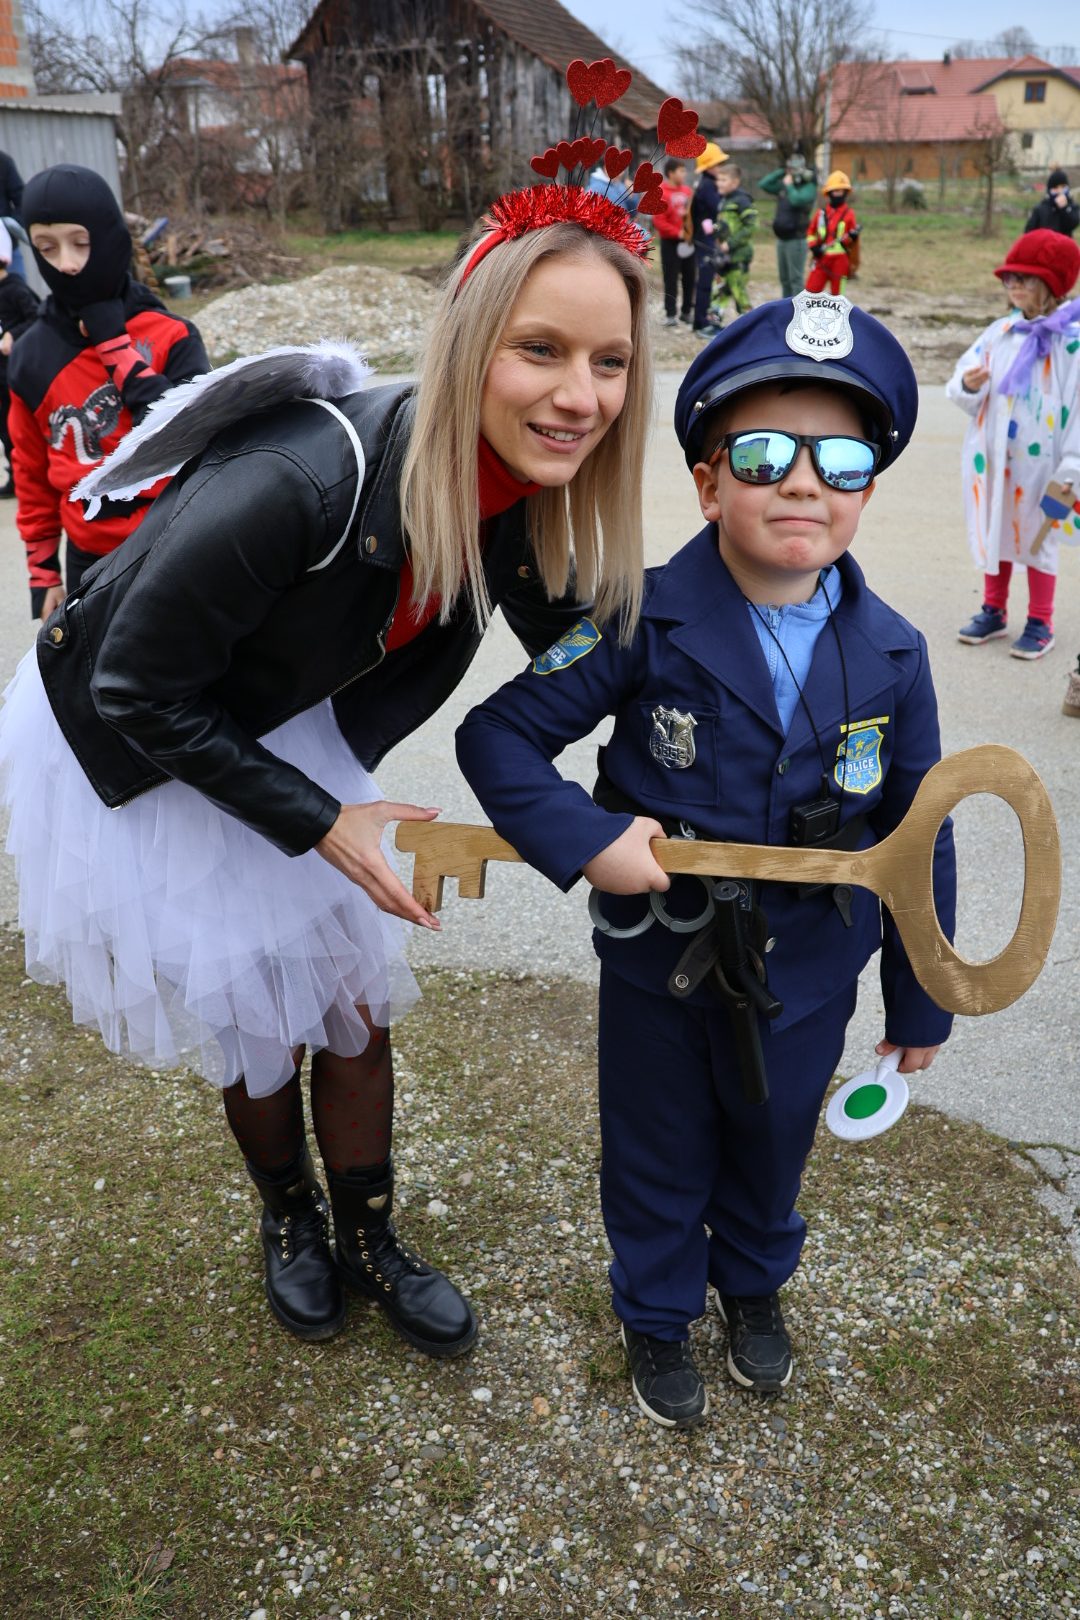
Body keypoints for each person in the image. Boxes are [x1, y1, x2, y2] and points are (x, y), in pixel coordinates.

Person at [0, 176, 655, 1357]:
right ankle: (290, 1222)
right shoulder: (302, 479)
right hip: (144, 736)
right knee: (256, 1007)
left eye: (610, 363)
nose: (579, 396)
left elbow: (582, 651)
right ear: (467, 343)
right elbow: (134, 690)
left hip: (272, 713)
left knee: (353, 1003)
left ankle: (370, 1235)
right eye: (542, 351)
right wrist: (323, 822)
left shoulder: (516, 483)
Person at [457, 292, 955, 1426]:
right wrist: (589, 842)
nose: (803, 482)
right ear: (708, 481)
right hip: (664, 962)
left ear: (870, 486)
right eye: (766, 452)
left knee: (775, 1139)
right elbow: (501, 736)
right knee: (657, 1144)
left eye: (841, 457)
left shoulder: (895, 651)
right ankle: (656, 1311)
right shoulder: (642, 615)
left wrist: (919, 1003)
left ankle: (755, 1288)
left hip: (813, 972)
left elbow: (922, 826)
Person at [7, 164, 208, 618]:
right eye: (46, 247)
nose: (67, 263)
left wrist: (115, 347)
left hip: (181, 547)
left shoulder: (171, 336)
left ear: (109, 237)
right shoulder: (31, 356)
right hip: (91, 561)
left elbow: (197, 441)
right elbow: (31, 471)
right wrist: (43, 573)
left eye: (80, 243)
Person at [946, 229, 1080, 663]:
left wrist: (1073, 466)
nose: (1014, 285)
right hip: (995, 459)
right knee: (996, 527)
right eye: (1010, 277)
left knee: (1038, 534)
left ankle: (1041, 619)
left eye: (1026, 277)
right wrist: (967, 385)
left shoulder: (1070, 342)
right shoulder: (1000, 332)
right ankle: (994, 608)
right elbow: (964, 377)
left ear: (1053, 284)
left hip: (1043, 464)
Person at [0, 219, 41, 497]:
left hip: (13, 373)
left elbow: (38, 317)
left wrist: (13, 334)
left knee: (20, 429)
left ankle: (30, 476)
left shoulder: (16, 290)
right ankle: (15, 478)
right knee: (5, 430)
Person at [759, 154, 817, 298]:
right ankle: (786, 309)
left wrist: (790, 185)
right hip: (782, 239)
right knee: (784, 280)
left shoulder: (809, 187)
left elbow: (797, 200)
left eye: (796, 169)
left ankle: (799, 311)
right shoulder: (783, 186)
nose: (793, 172)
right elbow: (764, 184)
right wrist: (782, 171)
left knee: (795, 279)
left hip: (796, 240)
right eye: (791, 169)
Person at [708, 162, 757, 322]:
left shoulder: (742, 201)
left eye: (723, 180)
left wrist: (731, 243)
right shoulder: (724, 201)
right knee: (720, 288)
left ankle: (749, 323)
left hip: (738, 255)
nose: (718, 183)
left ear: (735, 182)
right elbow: (726, 225)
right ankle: (715, 320)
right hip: (723, 256)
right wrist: (715, 231)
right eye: (718, 179)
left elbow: (751, 227)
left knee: (737, 290)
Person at [689, 141, 729, 335]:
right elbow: (717, 208)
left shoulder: (709, 184)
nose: (720, 168)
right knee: (705, 283)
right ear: (709, 166)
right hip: (704, 242)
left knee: (711, 283)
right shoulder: (707, 187)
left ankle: (705, 319)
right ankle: (700, 322)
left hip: (708, 240)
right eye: (718, 164)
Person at [655, 158, 695, 325]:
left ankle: (686, 312)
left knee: (690, 277)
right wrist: (676, 232)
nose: (684, 174)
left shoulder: (687, 191)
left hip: (688, 242)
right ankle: (671, 314)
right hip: (670, 243)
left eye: (685, 171)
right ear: (671, 173)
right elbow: (659, 221)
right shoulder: (661, 193)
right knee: (670, 278)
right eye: (681, 171)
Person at [806, 172, 859, 297]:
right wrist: (814, 247)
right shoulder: (821, 214)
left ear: (845, 193)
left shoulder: (849, 214)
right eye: (835, 191)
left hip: (840, 261)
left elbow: (852, 243)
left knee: (838, 299)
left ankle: (837, 317)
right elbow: (810, 232)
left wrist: (852, 238)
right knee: (809, 294)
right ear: (829, 193)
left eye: (840, 191)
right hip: (821, 259)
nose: (837, 194)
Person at [1025, 169, 1080, 237]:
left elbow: (1073, 224)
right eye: (1055, 188)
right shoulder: (1040, 208)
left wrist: (1064, 208)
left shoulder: (1071, 207)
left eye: (1063, 187)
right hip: (1044, 245)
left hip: (1063, 245)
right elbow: (1029, 232)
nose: (1060, 191)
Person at [0, 149, 26, 276]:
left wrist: (9, 225)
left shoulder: (3, 162)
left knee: (17, 292)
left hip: (6, 249)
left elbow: (23, 201)